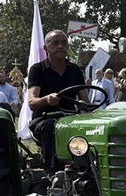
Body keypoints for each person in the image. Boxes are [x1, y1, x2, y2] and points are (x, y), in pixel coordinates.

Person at [28, 29, 91, 175]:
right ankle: (54, 174)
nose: (60, 46)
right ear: (46, 48)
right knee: (51, 126)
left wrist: (89, 108)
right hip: (44, 119)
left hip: (71, 119)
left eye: (64, 43)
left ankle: (89, 172)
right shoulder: (37, 70)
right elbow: (32, 102)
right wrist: (47, 100)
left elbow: (85, 100)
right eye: (55, 43)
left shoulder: (75, 70)